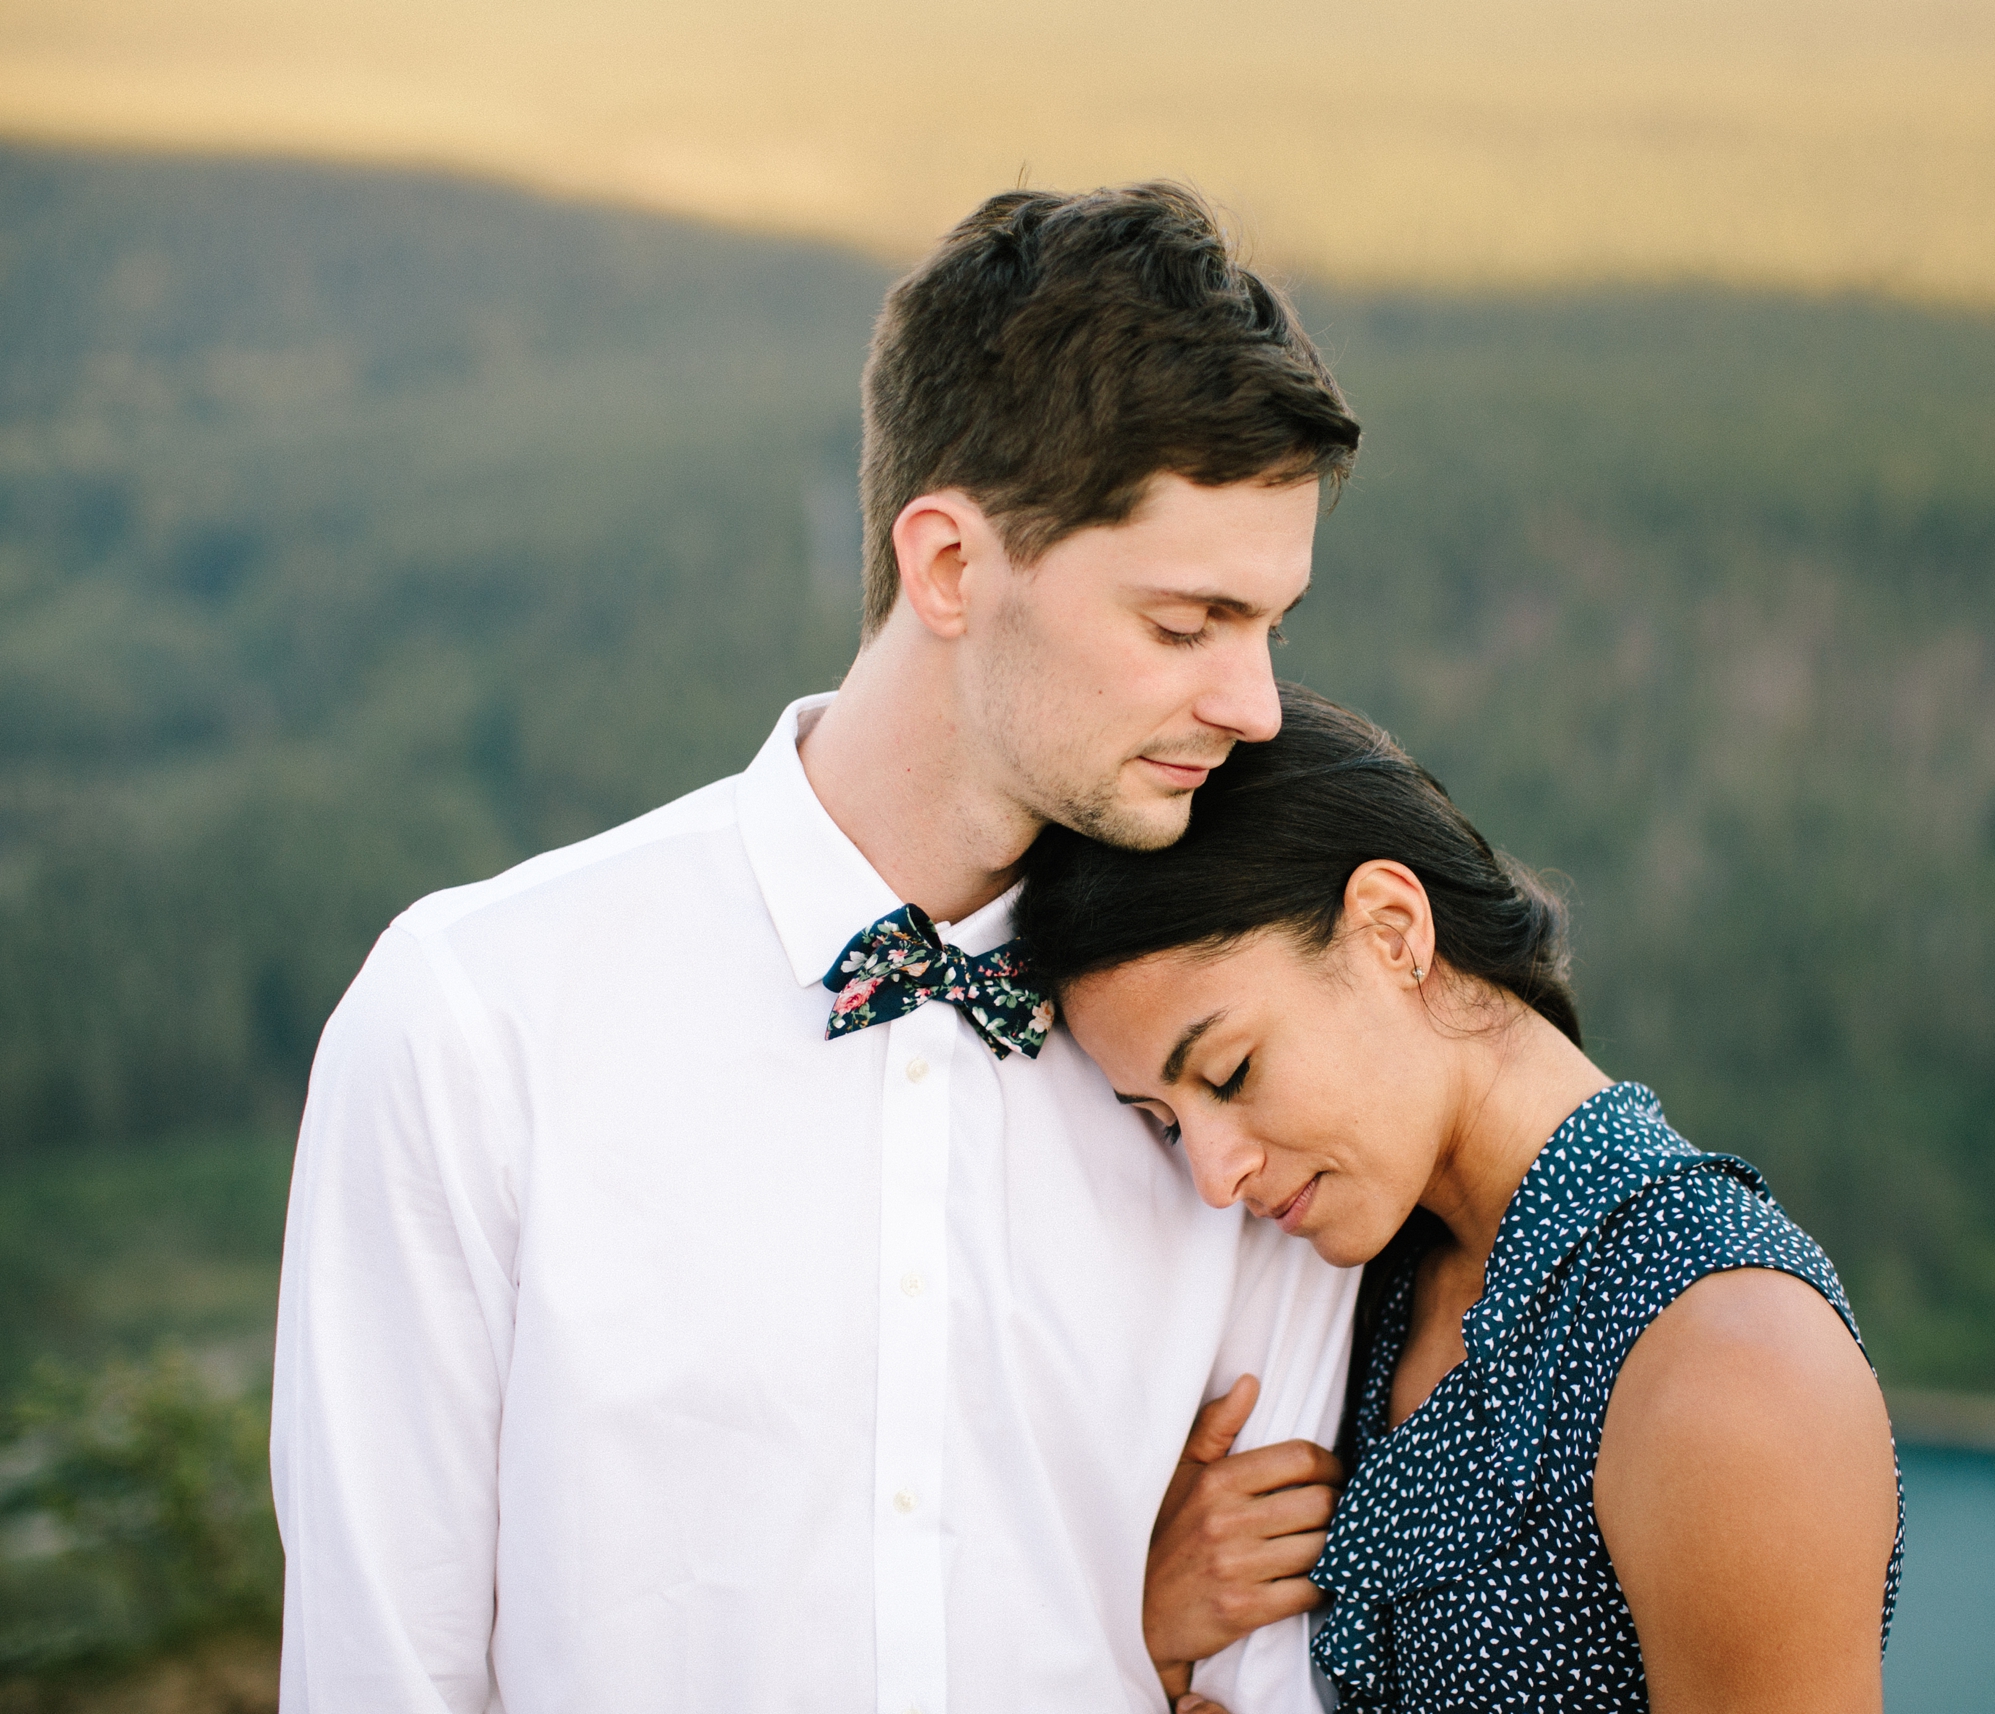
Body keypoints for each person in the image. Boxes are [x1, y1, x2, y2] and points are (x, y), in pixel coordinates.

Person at [271, 185, 1366, 1713]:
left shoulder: (1242, 1075)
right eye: (1188, 625)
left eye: (1272, 626)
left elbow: (1273, 1671)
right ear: (949, 567)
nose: (1254, 706)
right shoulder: (476, 1022)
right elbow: (384, 1672)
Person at [1015, 686, 1907, 1714]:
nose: (1215, 1176)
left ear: (1393, 931)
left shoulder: (1727, 1358)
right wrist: (1157, 1624)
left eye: (1231, 1070)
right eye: (1166, 1123)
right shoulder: (1372, 1284)